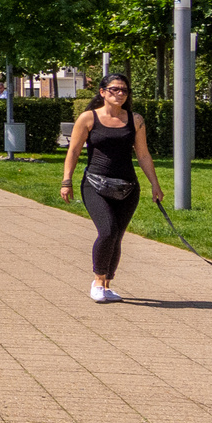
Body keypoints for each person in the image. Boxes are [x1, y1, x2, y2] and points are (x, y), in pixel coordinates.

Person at [59, 73, 164, 302]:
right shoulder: (88, 118)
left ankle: (107, 284)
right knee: (106, 231)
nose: (120, 94)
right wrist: (67, 181)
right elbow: (74, 151)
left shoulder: (135, 120)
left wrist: (154, 184)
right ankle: (97, 281)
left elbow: (143, 154)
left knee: (117, 236)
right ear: (103, 92)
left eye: (124, 90)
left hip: (127, 187)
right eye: (115, 89)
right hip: (95, 184)